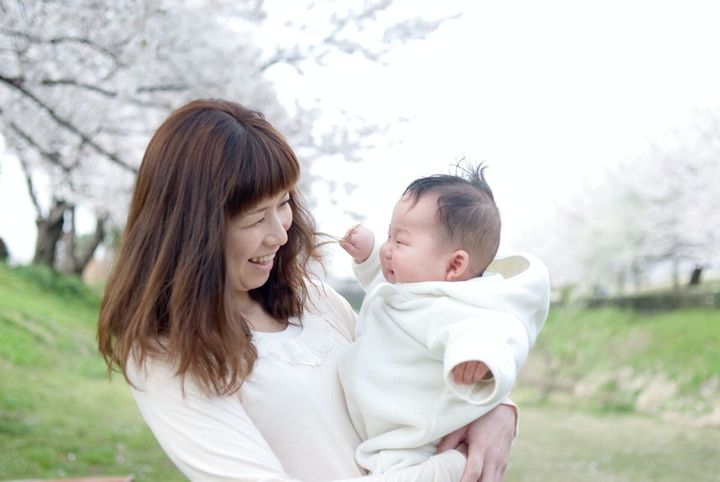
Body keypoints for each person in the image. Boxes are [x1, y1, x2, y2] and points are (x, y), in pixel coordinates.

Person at [97, 99, 518, 482]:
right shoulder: (170, 357)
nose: (280, 234)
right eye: (255, 218)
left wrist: (498, 410)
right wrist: (456, 464)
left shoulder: (311, 297)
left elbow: (415, 359)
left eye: (283, 204)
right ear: (195, 230)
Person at [338, 165, 550, 474]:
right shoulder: (409, 291)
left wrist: (479, 357)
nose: (387, 249)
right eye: (388, 235)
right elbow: (382, 289)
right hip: (387, 437)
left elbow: (498, 332)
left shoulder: (454, 308)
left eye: (401, 241)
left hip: (419, 445)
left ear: (454, 265)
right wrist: (369, 256)